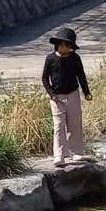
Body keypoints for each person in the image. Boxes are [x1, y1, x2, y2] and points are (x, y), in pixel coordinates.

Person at [42, 27, 92, 166]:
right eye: (63, 45)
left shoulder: (75, 59)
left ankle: (76, 153)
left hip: (73, 94)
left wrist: (86, 92)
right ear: (58, 45)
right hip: (56, 97)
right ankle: (59, 155)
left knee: (74, 124)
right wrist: (51, 94)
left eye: (68, 46)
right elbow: (45, 79)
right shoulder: (50, 59)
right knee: (59, 125)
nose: (65, 48)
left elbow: (81, 76)